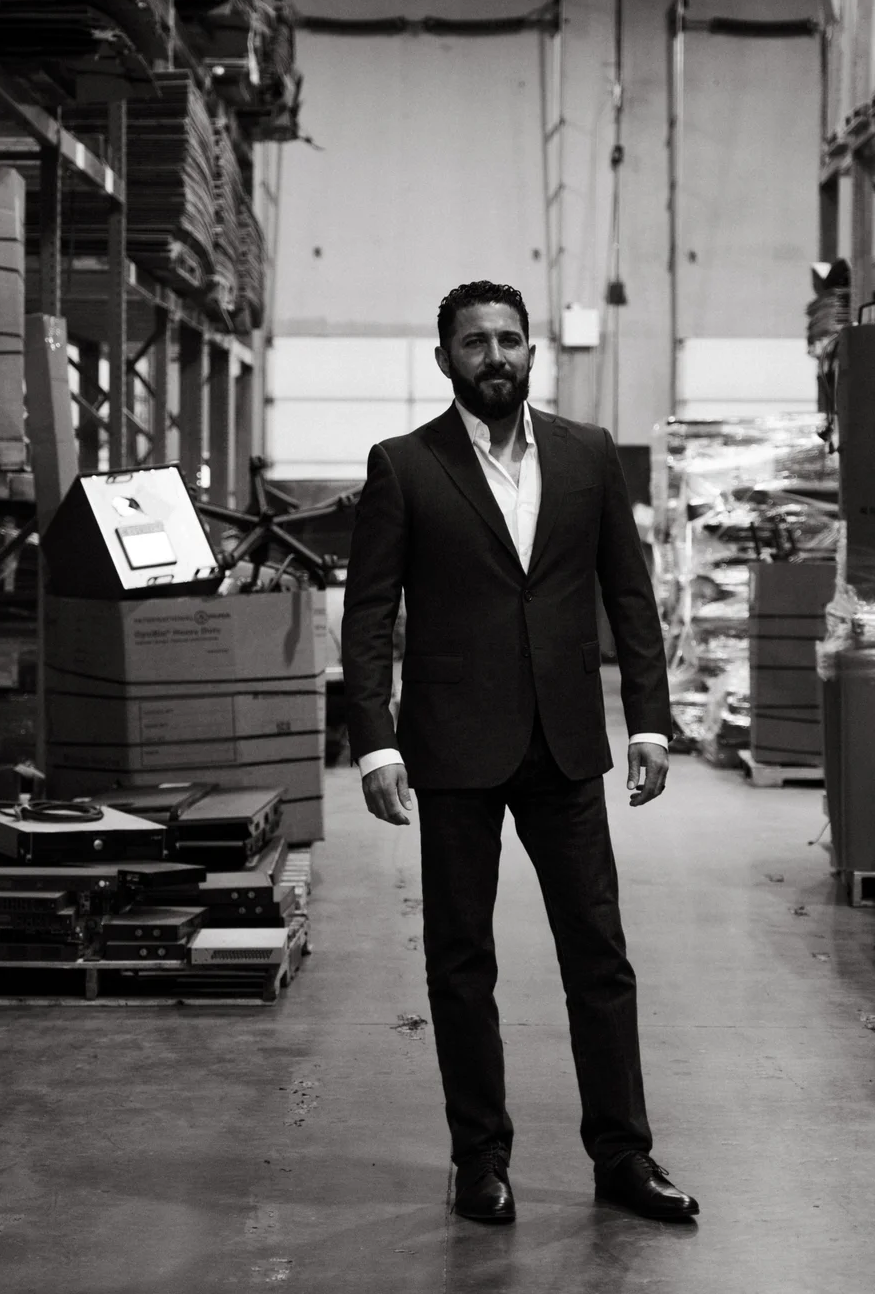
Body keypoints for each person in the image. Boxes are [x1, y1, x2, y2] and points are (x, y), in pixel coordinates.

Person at [341, 280, 699, 1225]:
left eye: (507, 340)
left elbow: (630, 595)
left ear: (532, 352)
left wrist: (650, 723)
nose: (492, 356)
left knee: (599, 956)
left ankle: (623, 1156)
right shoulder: (404, 465)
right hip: (452, 747)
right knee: (461, 961)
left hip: (566, 741)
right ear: (444, 359)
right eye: (472, 343)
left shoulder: (585, 456)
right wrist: (373, 742)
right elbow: (369, 614)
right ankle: (480, 1160)